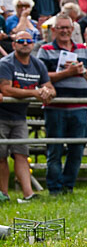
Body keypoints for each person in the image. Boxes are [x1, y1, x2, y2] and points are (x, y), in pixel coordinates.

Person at [36, 13, 87, 194]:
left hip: (79, 107)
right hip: (55, 107)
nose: (64, 31)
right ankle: (54, 188)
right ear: (53, 30)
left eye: (67, 28)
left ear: (72, 29)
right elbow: (41, 76)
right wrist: (67, 73)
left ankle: (68, 186)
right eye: (60, 27)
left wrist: (82, 70)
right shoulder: (45, 49)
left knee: (77, 149)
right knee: (54, 149)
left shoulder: (82, 49)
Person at [0, 31, 55, 203]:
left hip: (20, 116)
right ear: (14, 44)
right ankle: (3, 195)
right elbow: (6, 90)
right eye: (21, 41)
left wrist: (47, 92)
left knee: (21, 154)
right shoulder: (6, 63)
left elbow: (50, 88)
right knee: (1, 157)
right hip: (2, 116)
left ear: (33, 44)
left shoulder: (38, 65)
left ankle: (28, 194)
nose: (25, 43)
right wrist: (35, 93)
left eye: (28, 41)